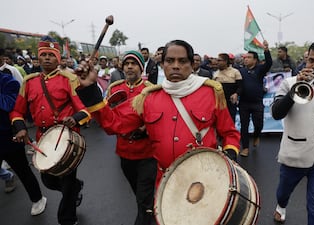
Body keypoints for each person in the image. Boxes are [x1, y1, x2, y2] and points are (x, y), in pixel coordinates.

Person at [76, 39, 240, 186]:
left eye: (182, 61)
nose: (175, 65)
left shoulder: (211, 92)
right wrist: (90, 89)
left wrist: (229, 155)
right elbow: (113, 123)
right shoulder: (147, 98)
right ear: (162, 64)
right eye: (170, 60)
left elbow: (229, 133)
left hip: (205, 179)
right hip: (166, 183)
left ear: (192, 64)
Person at [10, 36, 91, 225]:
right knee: (48, 180)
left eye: (51, 55)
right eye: (43, 55)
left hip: (66, 137)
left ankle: (67, 219)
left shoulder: (67, 80)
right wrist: (20, 128)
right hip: (43, 139)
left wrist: (75, 118)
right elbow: (16, 110)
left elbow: (84, 110)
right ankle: (75, 188)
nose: (46, 58)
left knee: (68, 182)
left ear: (58, 59)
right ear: (38, 58)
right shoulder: (28, 82)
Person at [270, 41, 314, 225]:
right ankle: (281, 206)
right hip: (295, 153)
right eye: (311, 60)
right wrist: (296, 88)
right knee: (283, 192)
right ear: (306, 58)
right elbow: (276, 113)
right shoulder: (289, 83)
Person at [106, 50, 157, 225]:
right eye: (126, 63)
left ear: (140, 68)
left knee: (144, 196)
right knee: (140, 193)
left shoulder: (150, 89)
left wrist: (145, 128)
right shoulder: (114, 88)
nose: (129, 66)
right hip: (124, 152)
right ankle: (152, 211)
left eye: (133, 63)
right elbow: (108, 115)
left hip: (146, 153)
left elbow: (157, 117)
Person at [1, 70, 48, 215]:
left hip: (7, 137)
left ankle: (38, 199)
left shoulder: (8, 81)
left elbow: (10, 105)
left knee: (23, 171)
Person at [238, 41, 272, 157]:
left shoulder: (259, 70)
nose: (246, 59)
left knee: (258, 124)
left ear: (255, 60)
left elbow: (269, 63)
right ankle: (245, 148)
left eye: (249, 57)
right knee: (244, 125)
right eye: (245, 57)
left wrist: (266, 50)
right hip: (243, 103)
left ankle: (257, 135)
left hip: (257, 103)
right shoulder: (240, 71)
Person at [213, 53, 242, 121]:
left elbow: (240, 87)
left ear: (225, 61)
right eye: (217, 60)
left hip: (230, 102)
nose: (217, 62)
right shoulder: (216, 73)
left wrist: (236, 94)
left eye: (219, 60)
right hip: (219, 102)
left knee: (230, 120)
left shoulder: (235, 72)